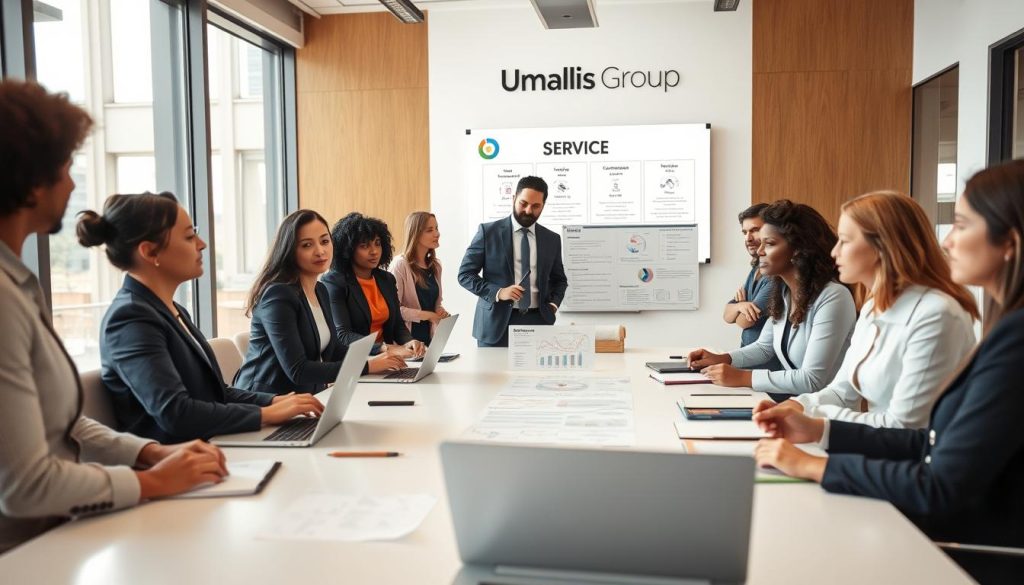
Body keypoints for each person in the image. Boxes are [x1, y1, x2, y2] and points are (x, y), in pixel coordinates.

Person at [752, 160, 1024, 584]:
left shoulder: (996, 333)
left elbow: (938, 480)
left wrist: (812, 465)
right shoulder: (1004, 327)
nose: (948, 241)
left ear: (1009, 241)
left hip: (967, 550)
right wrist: (814, 429)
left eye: (961, 225)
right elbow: (929, 443)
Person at [0, 79, 227, 553]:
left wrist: (152, 454)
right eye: (65, 166)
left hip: (63, 531)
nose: (71, 182)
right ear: (30, 180)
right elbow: (23, 485)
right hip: (28, 551)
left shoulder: (18, 284)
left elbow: (63, 424)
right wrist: (150, 482)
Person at [83, 192, 324, 443]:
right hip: (182, 462)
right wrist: (264, 414)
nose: (201, 244)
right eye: (189, 236)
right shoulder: (130, 319)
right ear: (150, 252)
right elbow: (176, 413)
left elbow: (214, 394)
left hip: (212, 445)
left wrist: (275, 401)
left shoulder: (172, 309)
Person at [755, 192, 978, 429]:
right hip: (879, 450)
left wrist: (815, 425)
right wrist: (796, 407)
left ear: (882, 246)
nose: (834, 252)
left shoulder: (936, 314)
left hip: (913, 458)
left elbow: (904, 427)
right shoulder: (874, 307)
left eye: (845, 241)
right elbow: (843, 392)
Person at [688, 200, 856, 396]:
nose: (759, 251)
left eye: (769, 244)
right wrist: (721, 358)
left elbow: (812, 379)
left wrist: (743, 377)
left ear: (798, 249)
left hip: (828, 416)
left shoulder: (834, 297)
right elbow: (764, 347)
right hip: (796, 409)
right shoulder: (785, 293)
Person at [234, 210, 405, 395]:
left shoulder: (320, 290)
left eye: (324, 241)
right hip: (266, 403)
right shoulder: (278, 295)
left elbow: (336, 351)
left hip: (306, 399)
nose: (320, 251)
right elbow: (298, 370)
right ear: (290, 250)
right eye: (307, 245)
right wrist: (368, 366)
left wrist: (382, 355)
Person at [458, 176, 569, 347]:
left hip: (539, 322)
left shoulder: (552, 239)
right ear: (513, 199)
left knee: (536, 375)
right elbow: (465, 275)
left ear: (543, 206)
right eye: (523, 203)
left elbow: (559, 280)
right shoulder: (488, 232)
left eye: (536, 206)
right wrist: (498, 292)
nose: (528, 210)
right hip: (495, 324)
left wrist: (553, 305)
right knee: (493, 374)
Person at [322, 212, 424, 358]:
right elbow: (342, 335)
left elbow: (397, 325)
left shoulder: (387, 279)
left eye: (377, 243)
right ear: (349, 250)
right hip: (355, 361)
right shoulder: (334, 282)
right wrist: (384, 348)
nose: (374, 251)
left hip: (388, 359)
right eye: (364, 246)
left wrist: (410, 342)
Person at [723, 203, 781, 369]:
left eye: (755, 230)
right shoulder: (756, 269)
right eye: (744, 232)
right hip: (748, 365)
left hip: (767, 369)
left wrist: (738, 309)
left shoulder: (774, 276)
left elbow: (744, 322)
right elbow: (727, 315)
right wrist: (740, 305)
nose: (748, 238)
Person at [390, 211, 450, 344]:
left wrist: (439, 312)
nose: (437, 234)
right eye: (430, 230)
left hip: (430, 340)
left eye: (436, 228)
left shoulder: (436, 266)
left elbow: (435, 303)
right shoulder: (400, 265)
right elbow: (394, 310)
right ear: (415, 234)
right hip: (407, 342)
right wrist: (428, 315)